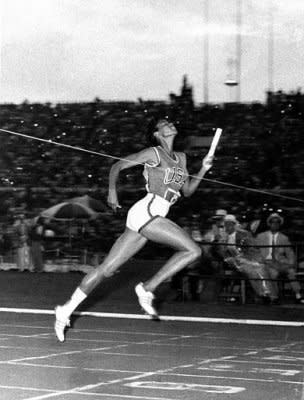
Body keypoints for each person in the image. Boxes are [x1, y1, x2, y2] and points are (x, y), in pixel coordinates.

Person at [54, 118, 214, 342]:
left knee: (106, 269)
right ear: (157, 134)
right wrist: (112, 191)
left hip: (154, 215)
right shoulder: (154, 153)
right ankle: (148, 288)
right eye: (164, 124)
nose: (170, 124)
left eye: (170, 122)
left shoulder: (182, 158)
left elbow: (187, 191)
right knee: (193, 251)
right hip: (147, 211)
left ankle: (65, 310)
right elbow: (117, 165)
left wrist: (204, 170)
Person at [222, 214, 277, 303]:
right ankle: (264, 295)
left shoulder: (244, 234)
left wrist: (253, 260)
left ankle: (270, 295)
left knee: (262, 270)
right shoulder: (223, 238)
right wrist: (231, 260)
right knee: (253, 272)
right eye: (226, 225)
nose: (228, 227)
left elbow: (252, 249)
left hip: (248, 259)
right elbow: (223, 253)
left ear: (234, 225)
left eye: (230, 224)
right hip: (236, 262)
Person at [255, 213, 304, 304]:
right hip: (266, 261)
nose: (275, 224)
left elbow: (289, 252)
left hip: (280, 261)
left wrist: (291, 263)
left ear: (279, 224)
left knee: (291, 271)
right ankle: (274, 297)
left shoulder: (284, 238)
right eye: (273, 222)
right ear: (269, 224)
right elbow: (255, 250)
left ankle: (298, 295)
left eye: (277, 222)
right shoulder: (261, 236)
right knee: (273, 273)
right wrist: (259, 260)